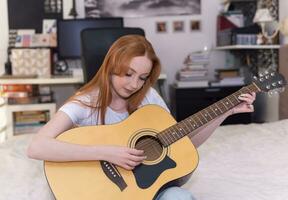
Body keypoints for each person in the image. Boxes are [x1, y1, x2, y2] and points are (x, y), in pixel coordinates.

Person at [27, 35, 256, 200]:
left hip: (148, 190)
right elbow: (37, 147)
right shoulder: (86, 101)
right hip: (104, 193)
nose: (134, 84)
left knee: (181, 198)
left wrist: (226, 112)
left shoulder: (149, 97)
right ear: (110, 67)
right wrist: (107, 152)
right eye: (128, 74)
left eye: (142, 77)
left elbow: (182, 145)